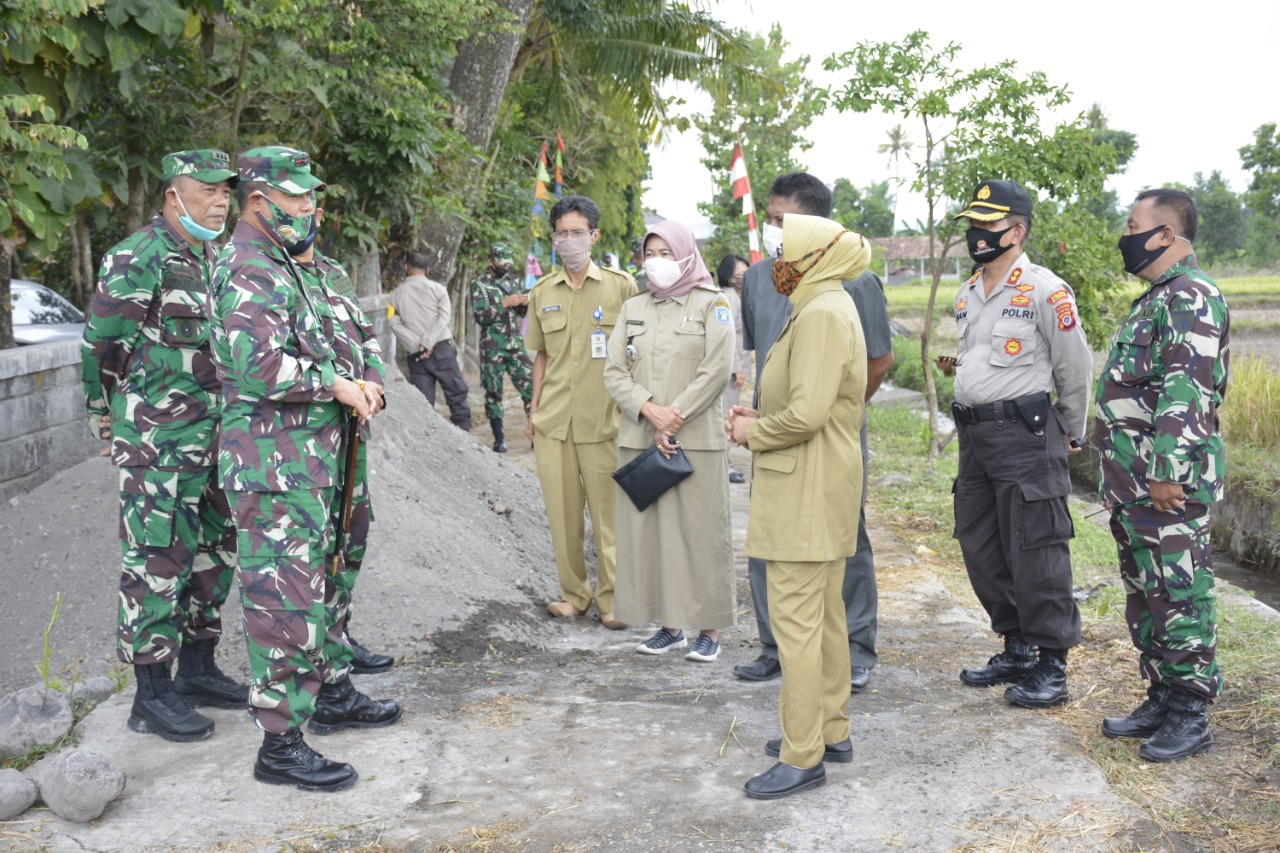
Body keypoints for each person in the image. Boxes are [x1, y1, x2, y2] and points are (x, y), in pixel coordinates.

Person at [212, 146, 401, 793]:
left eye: (311, 195)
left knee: (319, 587)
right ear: (258, 201)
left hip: (317, 460)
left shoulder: (288, 265)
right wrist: (338, 386)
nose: (308, 207)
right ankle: (280, 744)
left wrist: (366, 381)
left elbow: (347, 339)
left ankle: (326, 694)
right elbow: (258, 366)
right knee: (282, 600)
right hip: (273, 467)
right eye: (296, 197)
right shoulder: (245, 266)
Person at [81, 148, 248, 743]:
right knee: (156, 561)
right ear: (174, 195)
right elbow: (103, 346)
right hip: (158, 446)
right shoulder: (138, 256)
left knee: (213, 557)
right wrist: (105, 417)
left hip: (215, 442)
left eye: (226, 192)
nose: (220, 201)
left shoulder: (216, 257)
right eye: (208, 191)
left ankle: (197, 670)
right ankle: (150, 694)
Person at [727, 214, 871, 799]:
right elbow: (812, 402)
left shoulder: (821, 313)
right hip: (816, 481)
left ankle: (801, 754)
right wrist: (762, 417)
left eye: (786, 252)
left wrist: (752, 433)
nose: (777, 263)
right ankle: (830, 730)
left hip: (807, 488)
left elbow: (807, 415)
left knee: (796, 625)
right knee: (826, 617)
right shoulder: (819, 304)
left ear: (815, 257)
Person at [735, 172, 895, 694]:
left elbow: (878, 361)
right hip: (773, 433)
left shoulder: (853, 280)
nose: (774, 229)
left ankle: (854, 649)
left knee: (842, 541)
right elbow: (765, 354)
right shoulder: (760, 278)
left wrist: (833, 410)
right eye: (770, 218)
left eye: (783, 220)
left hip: (824, 437)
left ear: (816, 225)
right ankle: (775, 646)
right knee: (770, 538)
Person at [939, 179, 1093, 709]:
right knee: (979, 541)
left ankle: (1052, 665)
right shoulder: (967, 292)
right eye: (973, 225)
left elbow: (1075, 367)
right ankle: (1017, 647)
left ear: (1018, 231)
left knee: (1037, 548)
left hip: (1025, 435)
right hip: (975, 436)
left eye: (989, 224)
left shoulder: (1046, 290)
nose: (977, 234)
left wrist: (1070, 430)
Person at [1095, 188, 1228, 762]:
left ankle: (1190, 714)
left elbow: (1187, 389)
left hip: (1164, 485)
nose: (1125, 236)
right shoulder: (1157, 297)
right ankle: (1162, 696)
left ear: (1166, 234)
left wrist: (1168, 471)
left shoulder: (1192, 295)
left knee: (1179, 592)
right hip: (1133, 483)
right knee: (1147, 594)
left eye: (1133, 226)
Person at [604, 221, 736, 661]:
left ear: (686, 256)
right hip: (641, 436)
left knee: (700, 534)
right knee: (651, 534)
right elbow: (614, 372)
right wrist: (650, 410)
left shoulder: (712, 304)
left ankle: (709, 630)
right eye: (650, 253)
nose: (656, 262)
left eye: (666, 253)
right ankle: (670, 626)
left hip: (694, 439)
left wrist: (672, 418)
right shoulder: (633, 307)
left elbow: (716, 370)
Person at [525, 195, 637, 628]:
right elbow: (541, 357)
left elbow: (637, 351)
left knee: (609, 517)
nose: (569, 240)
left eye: (577, 232)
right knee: (563, 517)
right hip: (554, 423)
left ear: (594, 236)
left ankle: (613, 600)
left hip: (605, 421)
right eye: (561, 233)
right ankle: (575, 595)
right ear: (553, 238)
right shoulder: (542, 292)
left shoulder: (621, 287)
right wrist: (533, 411)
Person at [291, 209, 395, 676]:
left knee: (351, 536)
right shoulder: (272, 276)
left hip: (353, 432)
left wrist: (373, 383)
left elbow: (367, 338)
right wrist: (342, 387)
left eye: (310, 207)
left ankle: (339, 638)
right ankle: (319, 658)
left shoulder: (332, 272)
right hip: (304, 440)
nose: (303, 217)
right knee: (315, 547)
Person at [389, 251, 472, 430]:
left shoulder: (394, 295)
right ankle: (464, 435)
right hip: (442, 350)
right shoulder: (438, 290)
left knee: (423, 404)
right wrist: (427, 342)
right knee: (456, 394)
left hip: (417, 355)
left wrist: (418, 345)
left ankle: (427, 437)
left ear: (406, 267)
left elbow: (393, 323)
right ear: (428, 269)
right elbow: (444, 317)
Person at [470, 242, 534, 452]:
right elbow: (481, 317)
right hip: (492, 346)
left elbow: (520, 314)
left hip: (515, 344)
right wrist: (505, 304)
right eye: (501, 263)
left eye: (508, 264)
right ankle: (499, 439)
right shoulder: (479, 285)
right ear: (490, 261)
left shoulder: (513, 280)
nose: (505, 267)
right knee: (493, 392)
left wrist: (524, 304)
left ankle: (536, 434)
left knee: (532, 388)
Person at [716, 254, 752, 485]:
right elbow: (728, 336)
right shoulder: (727, 298)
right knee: (725, 415)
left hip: (734, 364)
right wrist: (737, 369)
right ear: (729, 275)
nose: (744, 277)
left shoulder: (733, 296)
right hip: (730, 368)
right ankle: (725, 467)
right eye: (741, 273)